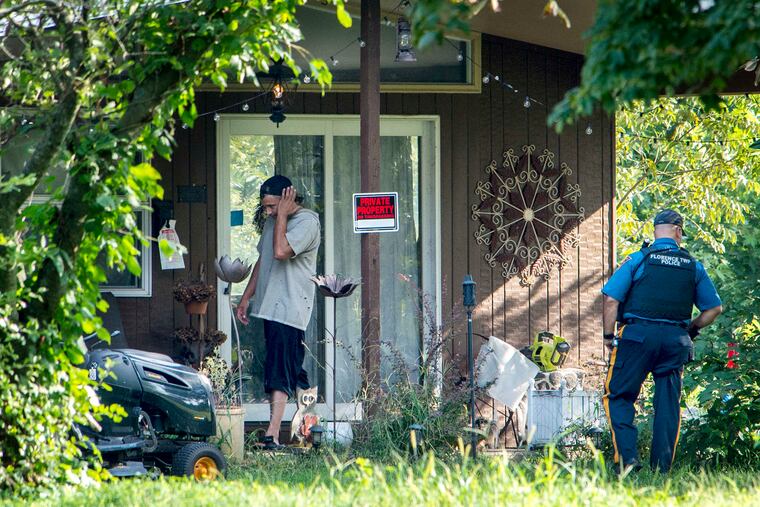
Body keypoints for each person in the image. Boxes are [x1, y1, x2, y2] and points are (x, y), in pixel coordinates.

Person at [601, 209, 722, 473]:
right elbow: (713, 309)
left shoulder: (638, 259)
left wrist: (609, 336)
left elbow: (611, 299)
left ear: (656, 232)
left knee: (619, 397)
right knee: (668, 404)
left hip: (637, 338)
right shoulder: (693, 266)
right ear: (678, 231)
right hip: (674, 342)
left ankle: (628, 462)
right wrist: (690, 328)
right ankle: (661, 469)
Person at [236, 174, 320, 450]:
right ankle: (308, 432)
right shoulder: (273, 221)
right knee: (291, 368)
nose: (268, 212)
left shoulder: (308, 222)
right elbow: (265, 259)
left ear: (288, 197)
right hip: (270, 307)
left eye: (272, 206)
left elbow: (282, 251)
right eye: (266, 207)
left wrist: (282, 215)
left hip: (290, 308)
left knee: (280, 371)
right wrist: (246, 297)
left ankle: (272, 435)